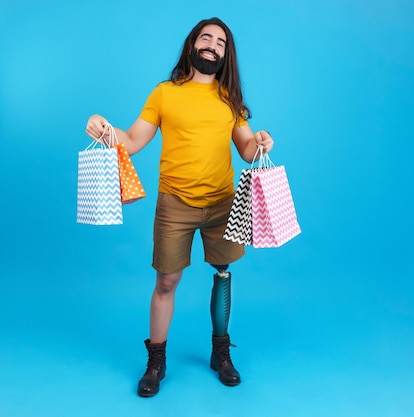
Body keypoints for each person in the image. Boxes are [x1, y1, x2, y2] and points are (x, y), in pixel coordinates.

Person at [85, 17, 274, 397]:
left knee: (223, 273)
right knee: (167, 281)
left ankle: (220, 353)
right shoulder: (164, 93)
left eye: (221, 43)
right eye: (206, 37)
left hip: (222, 203)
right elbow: (133, 140)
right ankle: (156, 361)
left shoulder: (229, 99)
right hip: (175, 203)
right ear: (192, 44)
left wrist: (263, 141)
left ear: (225, 55)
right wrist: (104, 128)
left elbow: (247, 149)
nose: (212, 45)